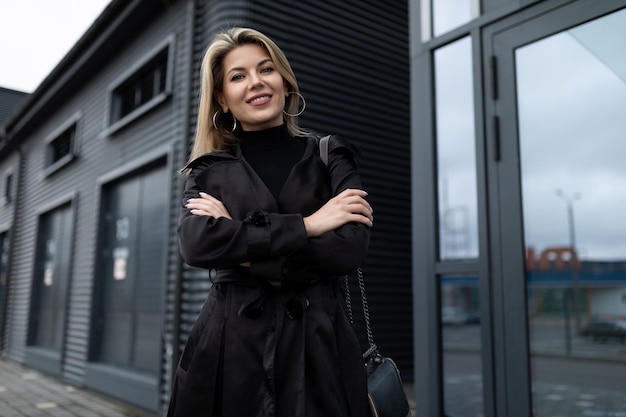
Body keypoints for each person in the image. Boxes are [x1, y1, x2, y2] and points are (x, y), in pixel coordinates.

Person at [168, 27, 374, 417]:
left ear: (284, 79)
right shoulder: (207, 172)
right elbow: (198, 244)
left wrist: (239, 246)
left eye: (266, 69)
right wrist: (310, 225)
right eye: (238, 76)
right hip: (229, 350)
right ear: (221, 99)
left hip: (320, 346)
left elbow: (348, 248)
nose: (256, 83)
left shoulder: (332, 157)